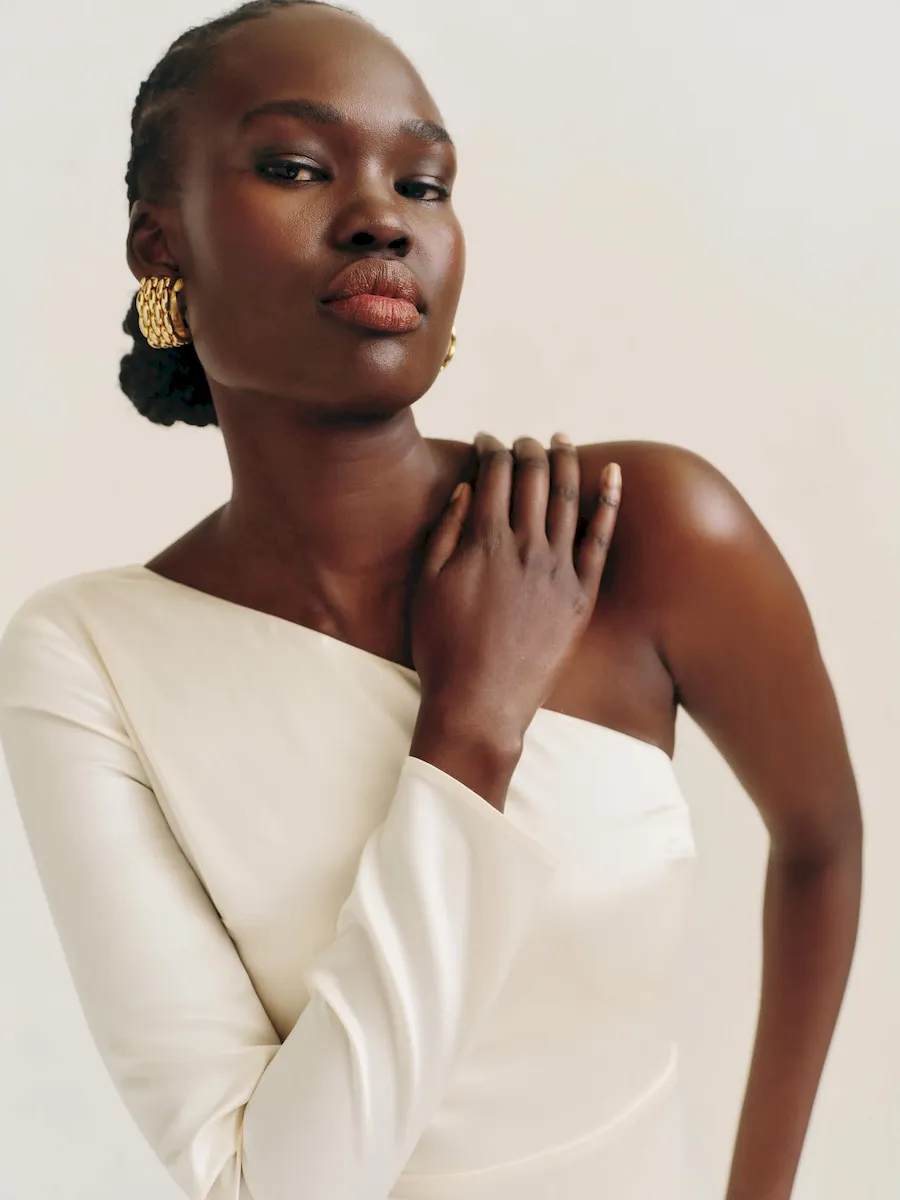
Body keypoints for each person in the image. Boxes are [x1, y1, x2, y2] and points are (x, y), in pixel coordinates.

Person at [0, 2, 863, 1198]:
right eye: (296, 167)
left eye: (424, 184)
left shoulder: (644, 532)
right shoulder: (87, 657)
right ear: (162, 245)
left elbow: (823, 844)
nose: (381, 217)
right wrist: (470, 729)